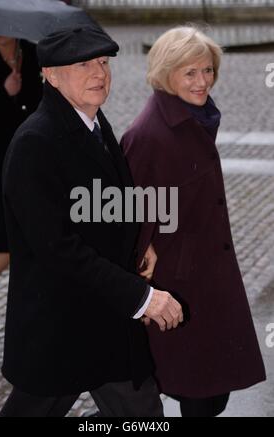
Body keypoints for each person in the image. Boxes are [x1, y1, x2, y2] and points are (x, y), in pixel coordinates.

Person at [0, 26, 183, 417]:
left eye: (103, 62)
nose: (100, 73)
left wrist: (139, 242)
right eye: (84, 64)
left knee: (143, 416)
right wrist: (142, 296)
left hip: (107, 323)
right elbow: (57, 249)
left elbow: (111, 199)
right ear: (50, 74)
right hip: (59, 328)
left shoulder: (95, 124)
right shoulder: (35, 143)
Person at [121, 26, 266, 417]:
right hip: (180, 281)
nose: (202, 81)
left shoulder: (195, 116)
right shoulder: (148, 134)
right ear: (166, 73)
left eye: (207, 70)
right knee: (199, 393)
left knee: (213, 391)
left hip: (209, 275)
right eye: (190, 73)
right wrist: (144, 247)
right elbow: (128, 213)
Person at [0, 35, 43, 327]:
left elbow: (43, 101)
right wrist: (4, 92)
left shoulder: (32, 51)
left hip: (33, 153)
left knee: (35, 230)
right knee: (6, 239)